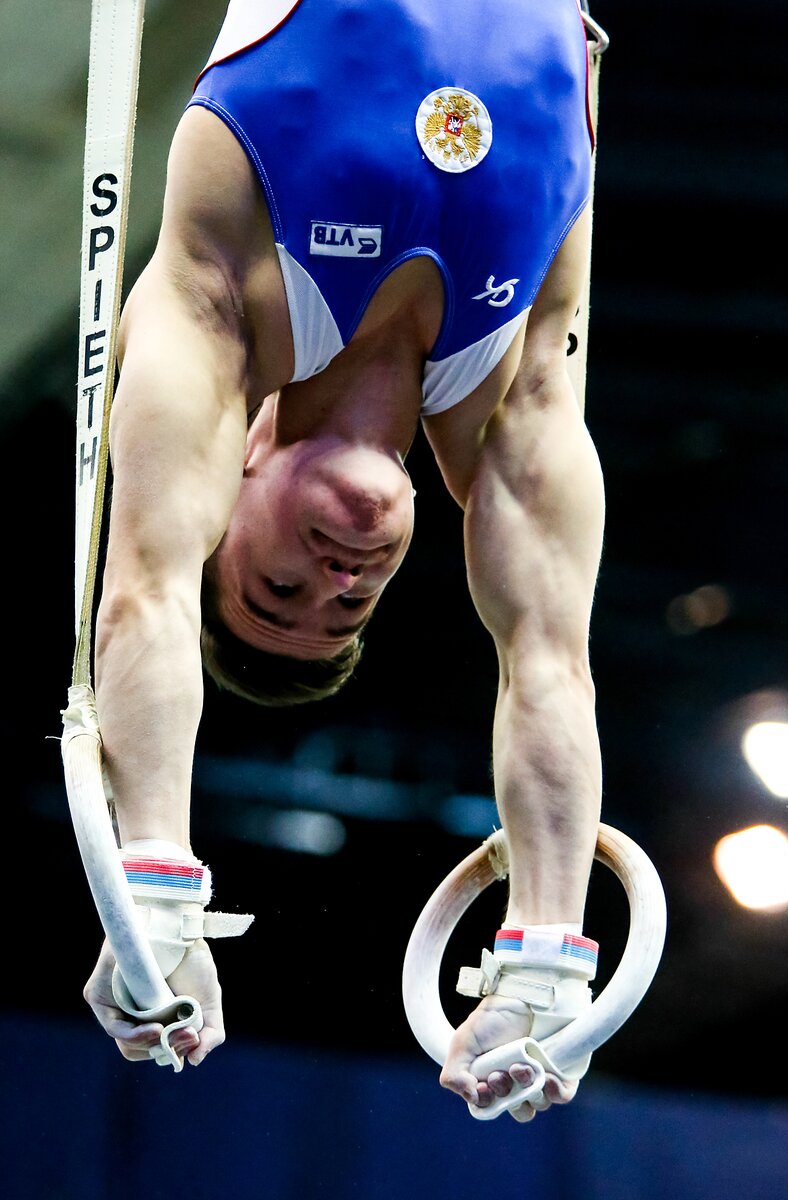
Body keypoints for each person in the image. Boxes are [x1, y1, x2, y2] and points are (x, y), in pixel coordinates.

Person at [83, 0, 606, 1122]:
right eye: (352, 606)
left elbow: (148, 592)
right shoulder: (515, 392)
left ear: (226, 484)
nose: (338, 579)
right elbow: (549, 662)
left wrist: (154, 898)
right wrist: (546, 963)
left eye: (279, 589)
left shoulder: (215, 305)